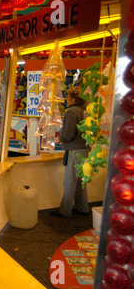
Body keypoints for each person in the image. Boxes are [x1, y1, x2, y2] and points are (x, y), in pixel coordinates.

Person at [51, 86, 90, 217]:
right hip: (85, 149)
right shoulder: (85, 111)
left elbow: (68, 134)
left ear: (73, 99)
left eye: (67, 97)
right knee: (80, 181)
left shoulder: (71, 112)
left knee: (70, 181)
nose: (66, 99)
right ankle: (83, 207)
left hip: (74, 150)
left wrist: (59, 138)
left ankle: (65, 211)